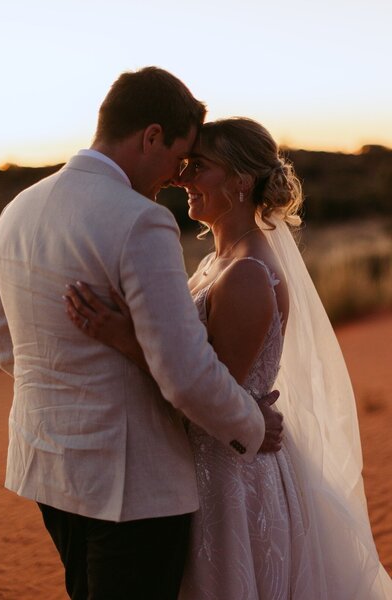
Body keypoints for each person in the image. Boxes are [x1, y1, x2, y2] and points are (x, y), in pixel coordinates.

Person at [65, 117, 392, 598]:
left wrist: (121, 336)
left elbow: (210, 389)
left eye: (199, 167)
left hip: (229, 476)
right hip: (209, 459)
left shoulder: (247, 274)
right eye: (184, 165)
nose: (182, 178)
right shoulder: (217, 261)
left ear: (241, 181)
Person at [0, 70, 284, 600]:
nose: (178, 176)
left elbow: (5, 344)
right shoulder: (140, 220)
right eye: (179, 158)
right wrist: (252, 423)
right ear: (151, 136)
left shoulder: (17, 210)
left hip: (47, 471)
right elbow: (187, 376)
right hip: (133, 486)